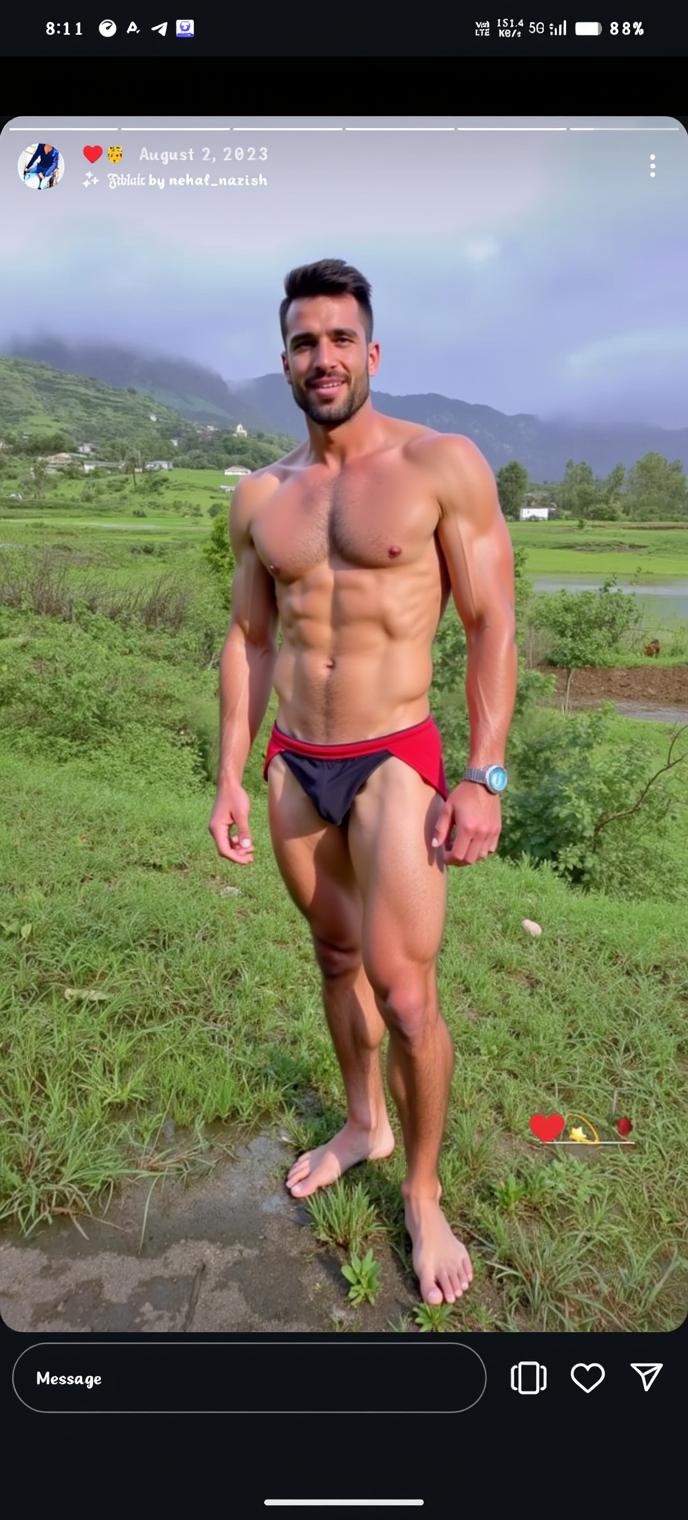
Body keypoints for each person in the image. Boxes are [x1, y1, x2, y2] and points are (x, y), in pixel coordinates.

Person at [209, 259, 517, 1306]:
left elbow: (490, 622)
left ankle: (422, 1192)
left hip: (394, 758)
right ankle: (363, 1121)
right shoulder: (263, 494)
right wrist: (231, 779)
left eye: (340, 338)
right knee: (334, 955)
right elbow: (248, 637)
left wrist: (482, 774)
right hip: (297, 759)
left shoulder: (440, 465)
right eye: (304, 341)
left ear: (372, 353)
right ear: (284, 358)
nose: (322, 357)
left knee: (405, 987)